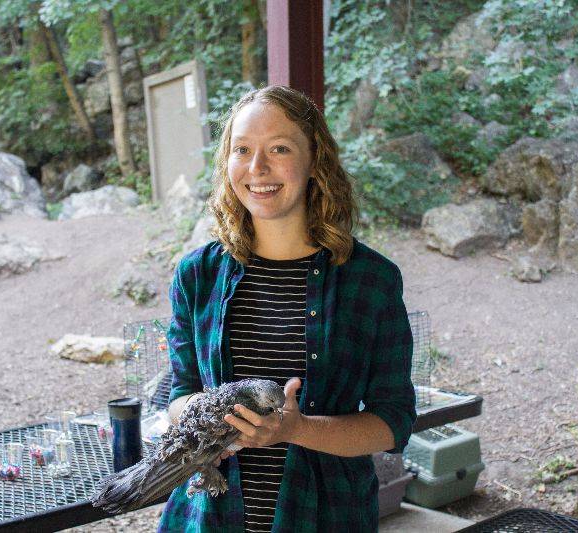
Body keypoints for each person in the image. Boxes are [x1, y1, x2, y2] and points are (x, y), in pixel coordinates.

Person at [158, 85, 416, 532]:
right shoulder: (196, 275)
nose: (257, 168)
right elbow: (178, 398)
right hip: (208, 518)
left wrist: (297, 430)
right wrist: (214, 411)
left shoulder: (371, 280)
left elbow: (393, 422)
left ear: (315, 160)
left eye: (279, 148)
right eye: (242, 150)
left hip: (328, 516)